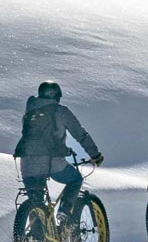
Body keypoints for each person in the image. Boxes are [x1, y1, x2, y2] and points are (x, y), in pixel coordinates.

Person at [13, 81, 103, 222]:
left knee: (36, 202)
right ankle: (64, 211)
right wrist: (95, 155)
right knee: (75, 179)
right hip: (52, 163)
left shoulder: (30, 111)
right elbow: (80, 134)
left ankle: (36, 238)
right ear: (57, 96)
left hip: (27, 165)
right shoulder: (60, 111)